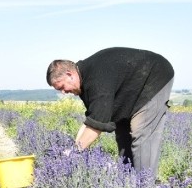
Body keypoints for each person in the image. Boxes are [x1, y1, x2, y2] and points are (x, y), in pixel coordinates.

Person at [46, 47, 174, 181]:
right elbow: (91, 120)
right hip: (131, 90)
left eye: (61, 87)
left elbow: (97, 126)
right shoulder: (84, 82)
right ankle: (127, 182)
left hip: (155, 75)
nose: (63, 92)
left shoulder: (96, 79)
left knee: (142, 134)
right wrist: (74, 147)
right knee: (123, 135)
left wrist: (75, 153)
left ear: (69, 74)